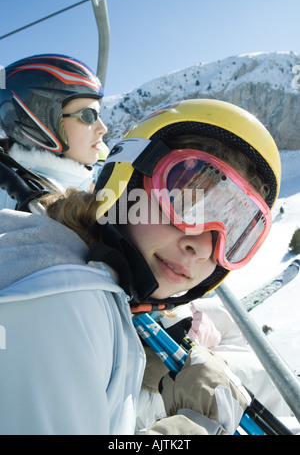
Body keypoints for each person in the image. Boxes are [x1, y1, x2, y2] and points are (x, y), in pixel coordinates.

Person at [0, 99, 281, 435]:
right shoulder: (59, 303)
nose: (204, 246)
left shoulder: (90, 277)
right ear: (126, 179)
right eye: (186, 202)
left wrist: (132, 351)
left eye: (233, 232)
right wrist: (190, 431)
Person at [0, 53, 108, 210]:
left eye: (99, 115)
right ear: (40, 122)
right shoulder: (23, 208)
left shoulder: (76, 185)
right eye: (88, 115)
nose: (103, 129)